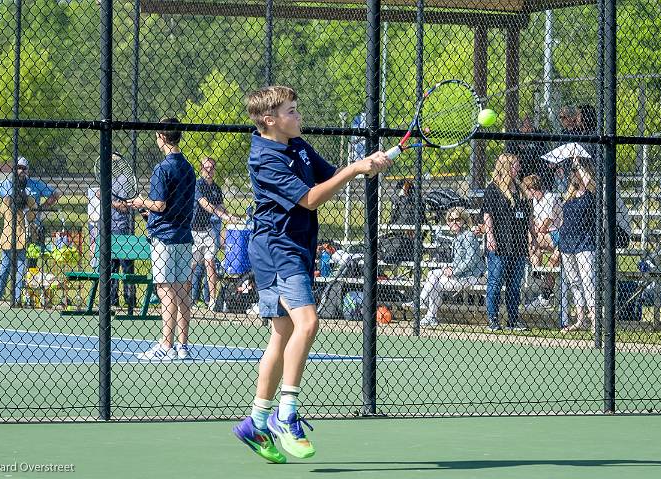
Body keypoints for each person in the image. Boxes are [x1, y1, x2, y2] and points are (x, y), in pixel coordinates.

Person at [232, 85, 391, 464]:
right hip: (276, 248)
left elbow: (329, 177)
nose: (298, 117)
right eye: (291, 111)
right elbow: (310, 197)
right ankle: (286, 415)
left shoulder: (299, 145)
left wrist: (365, 163)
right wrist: (354, 169)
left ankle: (255, 421)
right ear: (270, 121)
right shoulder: (264, 158)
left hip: (296, 246)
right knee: (307, 322)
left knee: (283, 332)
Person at [128, 118, 196, 360]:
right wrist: (152, 211)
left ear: (161, 136)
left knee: (166, 291)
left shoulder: (162, 168)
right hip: (184, 235)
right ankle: (183, 346)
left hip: (165, 238)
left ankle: (165, 346)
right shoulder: (189, 167)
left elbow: (159, 204)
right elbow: (173, 205)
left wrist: (141, 202)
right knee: (181, 290)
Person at [483, 153, 532, 332]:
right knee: (495, 283)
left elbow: (529, 218)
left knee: (514, 285)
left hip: (518, 244)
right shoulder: (493, 189)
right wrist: (490, 236)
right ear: (506, 167)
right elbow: (488, 215)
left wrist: (532, 238)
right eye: (515, 165)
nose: (518, 168)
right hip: (500, 244)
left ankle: (513, 319)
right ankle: (493, 319)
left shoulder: (520, 190)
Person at [415, 207, 485, 327]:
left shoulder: (468, 235)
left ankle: (426, 309)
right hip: (463, 274)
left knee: (434, 283)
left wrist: (454, 271)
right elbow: (459, 261)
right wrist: (448, 269)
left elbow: (471, 260)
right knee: (433, 274)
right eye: (450, 219)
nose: (454, 222)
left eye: (457, 219)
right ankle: (426, 310)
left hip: (475, 275)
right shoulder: (458, 237)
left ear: (463, 220)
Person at [190, 157, 240, 309]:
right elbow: (206, 205)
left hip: (208, 229)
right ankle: (186, 299)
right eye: (206, 167)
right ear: (201, 169)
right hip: (193, 231)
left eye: (211, 167)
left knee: (210, 262)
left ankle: (211, 301)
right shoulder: (198, 185)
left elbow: (221, 207)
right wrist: (223, 215)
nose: (209, 170)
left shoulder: (216, 188)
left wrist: (230, 216)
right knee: (191, 266)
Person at [0, 172, 36, 306]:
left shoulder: (7, 199)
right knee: (20, 269)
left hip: (7, 236)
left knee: (4, 268)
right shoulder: (28, 199)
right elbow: (31, 217)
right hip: (21, 237)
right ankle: (16, 299)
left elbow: (2, 211)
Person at [558, 156, 597, 332]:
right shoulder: (568, 196)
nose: (573, 174)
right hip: (567, 243)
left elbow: (589, 181)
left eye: (576, 171)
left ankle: (595, 319)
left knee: (588, 280)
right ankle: (581, 320)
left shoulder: (592, 192)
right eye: (572, 171)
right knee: (574, 281)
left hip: (585, 243)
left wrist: (578, 164)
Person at [522, 174, 562, 309]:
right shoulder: (535, 201)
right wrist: (534, 231)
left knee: (553, 260)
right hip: (545, 236)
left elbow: (544, 224)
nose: (526, 193)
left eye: (527, 190)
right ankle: (537, 275)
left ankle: (538, 280)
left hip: (558, 235)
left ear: (532, 189)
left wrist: (535, 231)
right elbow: (533, 225)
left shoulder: (551, 197)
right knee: (532, 242)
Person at [110, 152, 136, 310]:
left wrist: (108, 200)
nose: (113, 164)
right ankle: (112, 300)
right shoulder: (107, 179)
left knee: (126, 266)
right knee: (111, 267)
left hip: (122, 229)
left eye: (116, 161)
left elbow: (125, 206)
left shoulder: (125, 179)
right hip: (108, 228)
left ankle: (130, 300)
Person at [507, 116, 553, 191]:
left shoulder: (539, 135)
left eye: (531, 128)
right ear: (521, 128)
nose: (529, 130)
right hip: (522, 173)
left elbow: (545, 152)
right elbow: (510, 155)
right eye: (526, 128)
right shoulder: (515, 135)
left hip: (538, 172)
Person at [86, 185, 101, 269]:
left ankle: (97, 262)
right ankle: (95, 263)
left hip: (100, 220)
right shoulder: (92, 190)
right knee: (94, 243)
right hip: (94, 221)